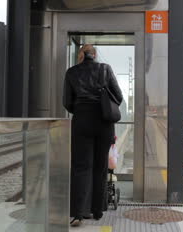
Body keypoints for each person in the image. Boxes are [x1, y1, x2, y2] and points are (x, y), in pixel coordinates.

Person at [63, 44, 123, 227]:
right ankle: (97, 210)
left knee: (81, 167)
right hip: (104, 123)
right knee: (100, 166)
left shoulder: (71, 72)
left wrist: (81, 109)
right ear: (94, 55)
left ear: (81, 55)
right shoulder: (105, 69)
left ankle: (78, 213)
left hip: (81, 121)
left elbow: (67, 102)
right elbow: (118, 96)